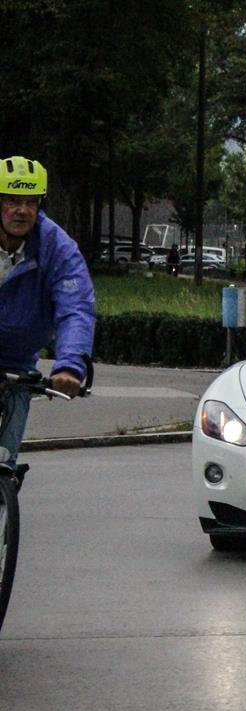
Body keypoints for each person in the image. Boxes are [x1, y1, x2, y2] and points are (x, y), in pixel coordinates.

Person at [0, 156, 95, 481]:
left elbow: (76, 307)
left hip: (18, 362)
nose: (21, 210)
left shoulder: (57, 247)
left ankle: (4, 490)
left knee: (4, 462)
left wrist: (70, 366)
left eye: (31, 202)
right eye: (12, 201)